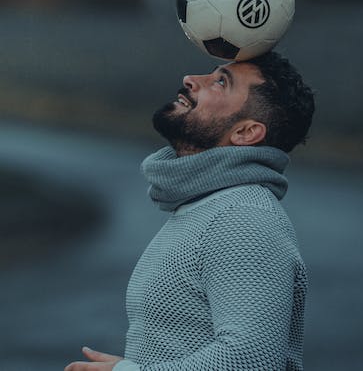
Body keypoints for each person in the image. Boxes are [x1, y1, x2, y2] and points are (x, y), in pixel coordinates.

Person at [65, 51, 315, 371]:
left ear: (245, 133)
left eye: (220, 82)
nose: (191, 80)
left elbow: (253, 358)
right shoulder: (209, 206)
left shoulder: (245, 217)